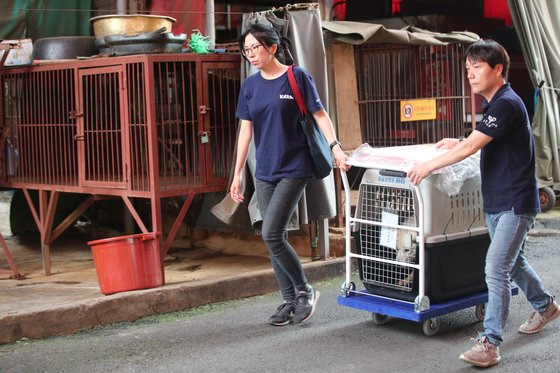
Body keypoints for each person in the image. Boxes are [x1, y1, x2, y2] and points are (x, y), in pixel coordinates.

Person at [408, 39, 560, 368]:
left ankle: (489, 342)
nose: (471, 74)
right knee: (513, 262)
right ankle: (546, 305)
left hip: (515, 203)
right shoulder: (495, 104)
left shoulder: (506, 102)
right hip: (497, 201)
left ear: (498, 69)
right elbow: (479, 140)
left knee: (495, 268)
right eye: (468, 68)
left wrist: (429, 166)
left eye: (478, 67)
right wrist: (460, 139)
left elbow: (470, 149)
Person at [230, 23, 350, 326]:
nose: (251, 55)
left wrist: (336, 147)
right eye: (247, 50)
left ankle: (304, 290)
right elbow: (245, 131)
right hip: (265, 170)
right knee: (273, 236)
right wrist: (237, 174)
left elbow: (320, 115)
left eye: (255, 48)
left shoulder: (297, 78)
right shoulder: (250, 86)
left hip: (295, 166)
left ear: (272, 47)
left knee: (271, 233)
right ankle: (289, 300)